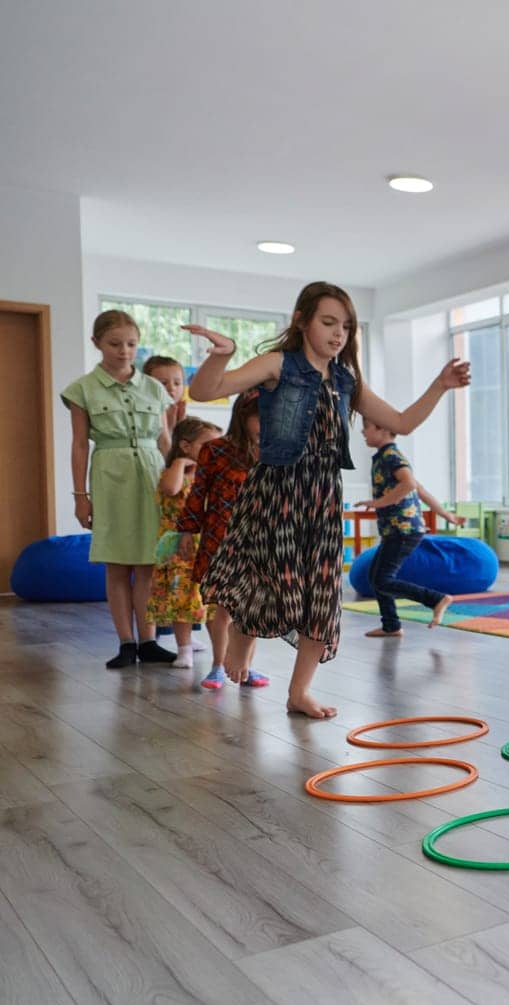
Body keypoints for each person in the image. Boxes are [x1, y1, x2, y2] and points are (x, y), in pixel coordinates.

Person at [185, 282, 470, 719]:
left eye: (346, 326)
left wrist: (440, 384)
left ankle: (299, 692)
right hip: (275, 491)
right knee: (266, 581)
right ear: (302, 320)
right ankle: (242, 633)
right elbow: (205, 392)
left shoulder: (345, 380)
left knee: (322, 595)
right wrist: (221, 354)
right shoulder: (278, 364)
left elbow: (401, 422)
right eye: (328, 322)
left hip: (321, 496)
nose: (339, 334)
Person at [62, 310, 177, 668]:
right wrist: (81, 497)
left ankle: (149, 640)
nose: (124, 351)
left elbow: (164, 439)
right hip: (110, 477)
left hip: (152, 476)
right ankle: (126, 642)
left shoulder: (154, 388)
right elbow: (80, 444)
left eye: (131, 343)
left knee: (148, 563)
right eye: (114, 344)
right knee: (116, 564)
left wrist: (178, 481)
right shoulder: (82, 389)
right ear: (96, 343)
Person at [175, 390, 267, 690]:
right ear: (243, 416)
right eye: (260, 418)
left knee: (252, 607)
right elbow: (197, 494)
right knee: (222, 607)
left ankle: (245, 665)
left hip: (261, 540)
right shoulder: (214, 450)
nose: (267, 424)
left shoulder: (275, 451)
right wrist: (187, 531)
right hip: (220, 538)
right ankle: (217, 665)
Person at [352, 417, 462, 637]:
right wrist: (445, 514)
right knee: (376, 576)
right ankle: (391, 625)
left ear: (382, 429)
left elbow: (409, 484)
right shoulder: (387, 456)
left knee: (382, 578)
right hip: (398, 529)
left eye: (366, 428)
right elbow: (419, 489)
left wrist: (377, 503)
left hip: (403, 530)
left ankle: (436, 599)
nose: (363, 433)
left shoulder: (391, 456)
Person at [148, 416, 222, 669]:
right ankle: (184, 647)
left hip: (205, 547)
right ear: (186, 446)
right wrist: (180, 463)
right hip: (178, 549)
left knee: (210, 601)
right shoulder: (172, 473)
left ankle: (219, 654)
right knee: (181, 599)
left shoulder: (212, 475)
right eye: (208, 445)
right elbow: (170, 489)